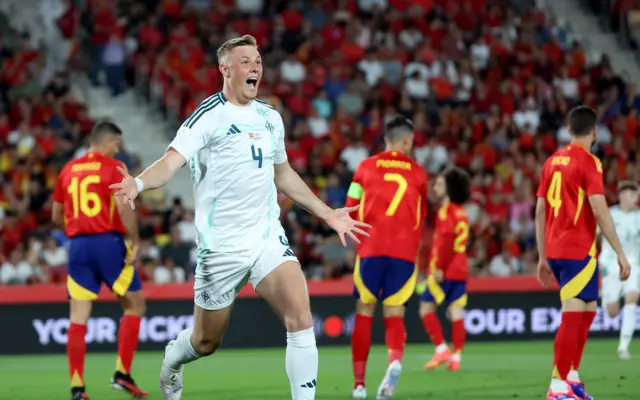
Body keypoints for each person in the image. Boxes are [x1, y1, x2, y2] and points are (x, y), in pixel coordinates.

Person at [108, 35, 371, 400]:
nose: (255, 68)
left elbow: (284, 175)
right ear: (225, 69)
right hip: (221, 247)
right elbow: (171, 162)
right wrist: (137, 183)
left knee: (300, 316)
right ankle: (173, 359)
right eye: (246, 61)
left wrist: (328, 214)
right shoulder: (207, 115)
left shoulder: (269, 117)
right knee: (206, 341)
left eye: (258, 61)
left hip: (266, 237)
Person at [535, 105, 631, 400]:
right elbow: (600, 211)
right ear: (593, 132)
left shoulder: (551, 161)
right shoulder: (590, 162)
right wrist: (620, 253)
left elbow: (540, 210)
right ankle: (556, 385)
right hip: (577, 249)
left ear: (568, 128)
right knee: (572, 317)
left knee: (587, 312)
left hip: (556, 248)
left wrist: (541, 256)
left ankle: (572, 378)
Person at [51, 121, 147, 400]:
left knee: (78, 317)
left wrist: (74, 231)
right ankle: (121, 373)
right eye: (116, 143)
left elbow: (57, 215)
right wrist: (135, 240)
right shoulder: (114, 167)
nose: (118, 148)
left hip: (78, 246)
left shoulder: (68, 170)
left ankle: (78, 387)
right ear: (106, 142)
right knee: (135, 304)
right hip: (108, 243)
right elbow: (122, 204)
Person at [345, 116, 428, 400]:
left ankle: (359, 385)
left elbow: (349, 207)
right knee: (395, 314)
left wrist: (355, 244)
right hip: (403, 255)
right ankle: (394, 362)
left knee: (364, 312)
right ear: (406, 141)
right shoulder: (419, 174)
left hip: (371, 250)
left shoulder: (365, 167)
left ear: (386, 139)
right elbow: (421, 216)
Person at [417, 167, 471, 372]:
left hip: (445, 270)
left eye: (439, 183)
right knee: (456, 311)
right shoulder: (462, 212)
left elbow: (446, 241)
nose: (435, 186)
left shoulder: (446, 211)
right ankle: (456, 358)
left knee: (426, 308)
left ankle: (441, 349)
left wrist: (438, 268)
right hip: (461, 269)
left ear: (449, 188)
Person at [599, 181, 640, 360]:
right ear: (622, 195)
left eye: (636, 195)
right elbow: (593, 234)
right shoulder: (609, 214)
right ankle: (606, 297)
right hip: (611, 262)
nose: (635, 199)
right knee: (612, 312)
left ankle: (623, 347)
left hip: (633, 263)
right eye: (632, 195)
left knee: (632, 297)